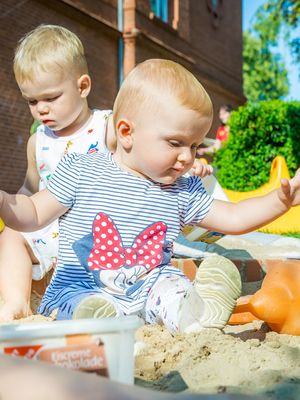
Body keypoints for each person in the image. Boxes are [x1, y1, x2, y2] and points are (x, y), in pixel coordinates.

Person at [0, 59, 300, 333]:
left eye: (195, 145)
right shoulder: (82, 170)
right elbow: (31, 213)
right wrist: (4, 202)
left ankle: (197, 312)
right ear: (127, 133)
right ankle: (99, 322)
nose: (188, 157)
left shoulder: (181, 190)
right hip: (82, 286)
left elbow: (234, 217)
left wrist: (282, 201)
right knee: (81, 305)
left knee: (172, 289)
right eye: (175, 143)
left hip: (149, 290)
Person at [0, 24, 213, 322]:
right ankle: (16, 302)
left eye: (51, 97)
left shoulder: (108, 126)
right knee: (10, 235)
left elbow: (147, 149)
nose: (41, 110)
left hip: (100, 227)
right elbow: (31, 187)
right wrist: (13, 205)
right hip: (51, 223)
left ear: (83, 86)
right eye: (32, 101)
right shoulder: (38, 141)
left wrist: (185, 165)